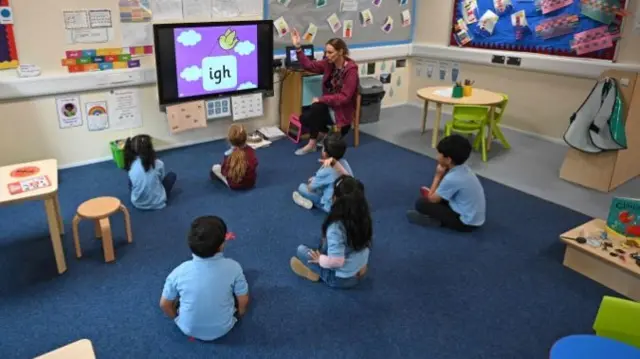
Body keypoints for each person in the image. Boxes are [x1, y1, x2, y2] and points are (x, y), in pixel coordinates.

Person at [159, 216, 249, 341]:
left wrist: (176, 318)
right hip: (224, 327)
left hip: (187, 328)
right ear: (222, 245)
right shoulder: (234, 267)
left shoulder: (178, 272)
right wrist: (240, 314)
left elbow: (164, 304)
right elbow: (243, 299)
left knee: (179, 295)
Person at [290, 176, 372, 288]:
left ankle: (316, 273)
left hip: (340, 279)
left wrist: (320, 260)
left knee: (301, 251)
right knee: (329, 242)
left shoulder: (336, 227)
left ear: (336, 200)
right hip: (360, 270)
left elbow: (337, 262)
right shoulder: (363, 215)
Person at [290, 29, 359, 155]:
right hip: (329, 107)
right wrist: (298, 48)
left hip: (341, 113)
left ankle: (319, 139)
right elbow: (310, 66)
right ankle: (318, 139)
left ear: (340, 52)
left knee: (316, 107)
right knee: (304, 118)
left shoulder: (351, 70)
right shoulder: (329, 64)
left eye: (330, 52)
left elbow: (345, 97)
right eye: (326, 52)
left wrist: (322, 99)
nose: (327, 55)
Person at [406, 134, 486, 232]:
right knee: (438, 197)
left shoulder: (452, 178)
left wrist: (438, 176)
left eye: (439, 153)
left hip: (466, 223)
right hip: (474, 217)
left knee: (421, 203)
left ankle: (436, 221)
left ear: (448, 159)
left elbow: (432, 199)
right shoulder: (464, 169)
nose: (437, 156)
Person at [293, 133, 353, 212]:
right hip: (349, 203)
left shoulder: (324, 172)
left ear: (324, 152)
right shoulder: (344, 163)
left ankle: (314, 204)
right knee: (327, 185)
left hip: (332, 207)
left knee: (302, 187)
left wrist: (314, 180)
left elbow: (310, 187)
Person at [124, 134, 177, 210]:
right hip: (158, 202)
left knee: (131, 180)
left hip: (137, 203)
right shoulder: (158, 163)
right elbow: (161, 180)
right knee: (172, 175)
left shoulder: (131, 164)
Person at [211, 124, 258, 190]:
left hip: (234, 185)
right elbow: (255, 164)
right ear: (246, 138)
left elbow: (224, 171)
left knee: (215, 168)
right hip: (250, 183)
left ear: (229, 140)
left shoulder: (228, 154)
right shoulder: (251, 151)